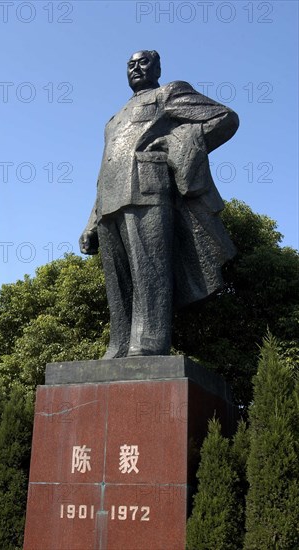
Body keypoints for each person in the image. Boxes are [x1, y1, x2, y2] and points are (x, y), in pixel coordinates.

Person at [79, 50, 239, 359]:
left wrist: (175, 141)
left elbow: (225, 118)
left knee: (149, 271)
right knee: (118, 281)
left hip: (148, 191)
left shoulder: (168, 93)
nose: (136, 68)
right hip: (110, 201)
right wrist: (91, 222)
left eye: (143, 62)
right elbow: (103, 173)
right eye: (130, 64)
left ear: (158, 67)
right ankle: (119, 345)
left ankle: (149, 342)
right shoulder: (114, 119)